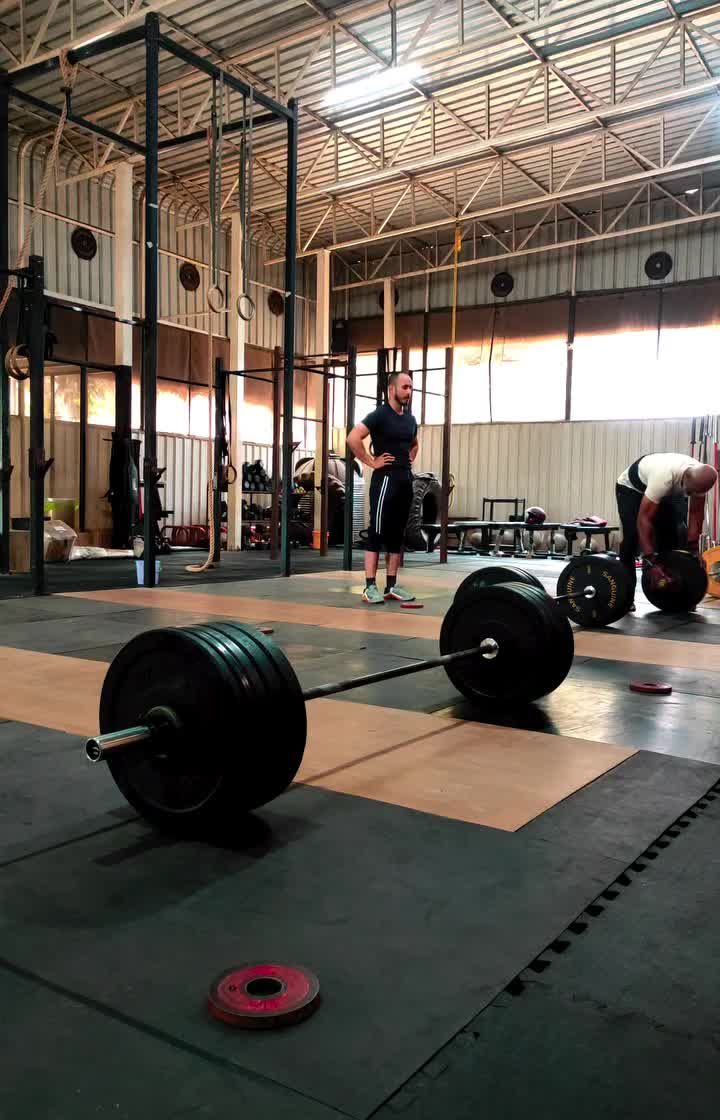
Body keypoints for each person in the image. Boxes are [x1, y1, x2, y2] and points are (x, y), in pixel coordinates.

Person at [347, 371, 419, 604]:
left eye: (411, 387)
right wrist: (371, 461)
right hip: (385, 480)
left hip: (405, 480)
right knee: (377, 531)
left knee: (397, 534)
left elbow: (414, 444)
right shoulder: (380, 415)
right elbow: (353, 438)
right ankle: (370, 586)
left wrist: (408, 458)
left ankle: (391, 585)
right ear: (391, 389)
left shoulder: (410, 420)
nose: (408, 392)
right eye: (405, 387)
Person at [616, 453, 717, 604]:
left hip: (667, 489)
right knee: (632, 538)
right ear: (686, 478)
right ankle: (626, 596)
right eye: (690, 492)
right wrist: (650, 559)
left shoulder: (701, 480)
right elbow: (644, 519)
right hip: (631, 488)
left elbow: (696, 514)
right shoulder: (664, 478)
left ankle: (672, 592)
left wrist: (694, 548)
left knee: (673, 535)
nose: (692, 495)